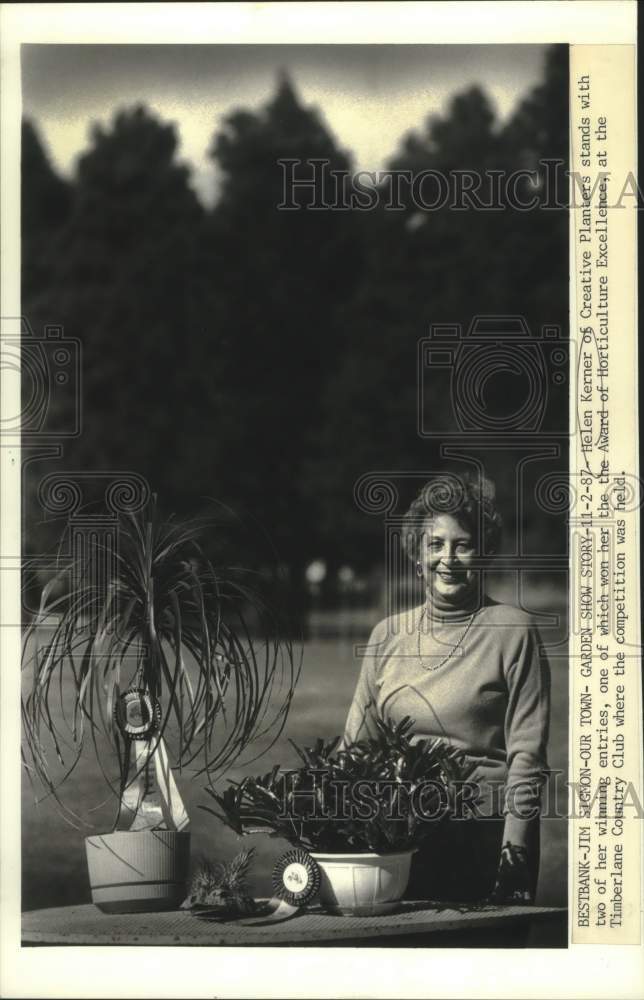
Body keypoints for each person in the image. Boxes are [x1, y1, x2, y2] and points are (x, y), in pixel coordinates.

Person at [341, 469, 551, 904]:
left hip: (483, 839)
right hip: (398, 838)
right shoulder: (387, 635)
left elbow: (527, 758)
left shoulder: (513, 630)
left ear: (484, 553)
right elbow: (356, 748)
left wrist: (514, 855)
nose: (447, 558)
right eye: (435, 545)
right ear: (417, 557)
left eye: (462, 545)